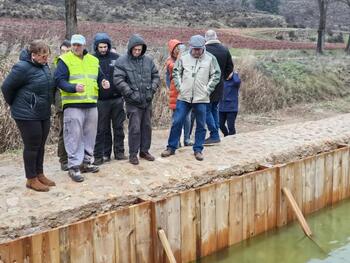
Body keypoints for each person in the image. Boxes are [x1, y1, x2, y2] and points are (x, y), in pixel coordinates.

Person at [55, 34, 110, 182]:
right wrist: (73, 87)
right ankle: (73, 167)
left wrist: (103, 82)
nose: (76, 47)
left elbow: (99, 77)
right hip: (73, 105)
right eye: (74, 44)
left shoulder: (93, 60)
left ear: (84, 45)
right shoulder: (64, 60)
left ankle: (86, 163)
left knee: (90, 136)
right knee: (73, 137)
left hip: (91, 104)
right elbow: (59, 80)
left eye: (79, 45)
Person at [1, 40, 55, 191]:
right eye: (43, 56)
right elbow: (6, 87)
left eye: (47, 56)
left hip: (43, 112)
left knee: (41, 145)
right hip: (26, 114)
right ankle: (31, 179)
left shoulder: (43, 66)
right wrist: (15, 104)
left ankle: (39, 174)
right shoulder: (22, 67)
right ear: (34, 55)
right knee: (32, 146)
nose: (46, 59)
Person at [161, 35, 221, 161]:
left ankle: (198, 149)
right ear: (191, 47)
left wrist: (207, 90)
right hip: (184, 96)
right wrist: (180, 87)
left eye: (199, 49)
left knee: (201, 124)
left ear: (203, 47)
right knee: (177, 121)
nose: (196, 52)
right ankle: (171, 147)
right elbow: (176, 72)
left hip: (201, 98)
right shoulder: (183, 57)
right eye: (194, 49)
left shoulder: (210, 59)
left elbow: (216, 75)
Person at [113, 34, 160, 165]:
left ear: (143, 49)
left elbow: (156, 76)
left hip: (147, 100)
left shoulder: (148, 60)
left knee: (147, 127)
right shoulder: (122, 61)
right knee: (135, 128)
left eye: (139, 50)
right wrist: (129, 93)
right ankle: (133, 154)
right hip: (132, 101)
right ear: (130, 48)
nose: (137, 52)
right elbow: (118, 80)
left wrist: (152, 89)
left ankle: (144, 151)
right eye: (135, 49)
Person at [92, 33, 126, 165]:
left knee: (118, 127)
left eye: (105, 46)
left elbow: (123, 75)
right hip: (101, 100)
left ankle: (119, 152)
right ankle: (105, 154)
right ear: (96, 47)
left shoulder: (117, 58)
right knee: (102, 129)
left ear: (108, 46)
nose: (103, 49)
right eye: (100, 47)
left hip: (117, 98)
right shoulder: (92, 59)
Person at [204, 29, 234, 144]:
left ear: (206, 38)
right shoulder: (225, 49)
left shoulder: (204, 51)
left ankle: (214, 134)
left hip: (206, 85)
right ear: (216, 37)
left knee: (206, 110)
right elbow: (230, 68)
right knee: (214, 109)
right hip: (220, 85)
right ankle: (215, 134)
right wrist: (222, 78)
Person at [165, 39, 193, 147]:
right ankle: (176, 141)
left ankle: (186, 139)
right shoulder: (170, 61)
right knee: (176, 119)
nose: (179, 51)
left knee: (187, 117)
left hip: (186, 92)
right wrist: (181, 55)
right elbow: (175, 67)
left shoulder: (185, 59)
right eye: (177, 50)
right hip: (175, 93)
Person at [53, 40, 71, 171]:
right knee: (64, 132)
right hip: (62, 105)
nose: (64, 53)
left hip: (75, 102)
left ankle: (74, 157)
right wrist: (57, 104)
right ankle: (63, 160)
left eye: (67, 51)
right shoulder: (56, 65)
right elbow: (51, 88)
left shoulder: (74, 63)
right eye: (63, 51)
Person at [219, 71, 241, 136]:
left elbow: (237, 81)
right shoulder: (222, 81)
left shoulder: (234, 83)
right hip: (221, 107)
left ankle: (232, 139)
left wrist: (234, 74)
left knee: (230, 126)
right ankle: (226, 135)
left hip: (232, 108)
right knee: (220, 124)